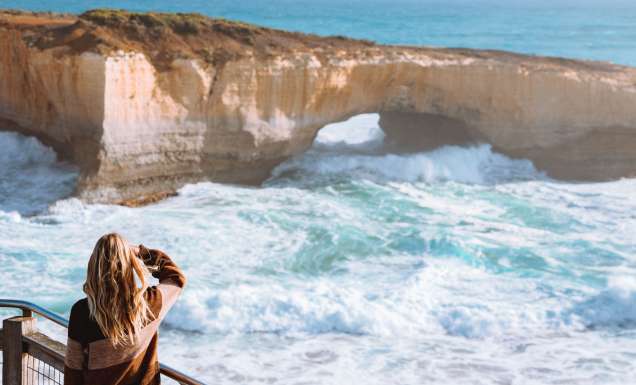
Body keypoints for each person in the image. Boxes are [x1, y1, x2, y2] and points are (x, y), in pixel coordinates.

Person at [63, 233, 186, 385]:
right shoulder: (149, 303)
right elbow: (176, 277)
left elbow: (73, 371)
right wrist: (140, 252)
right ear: (129, 264)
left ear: (94, 265)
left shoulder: (81, 312)